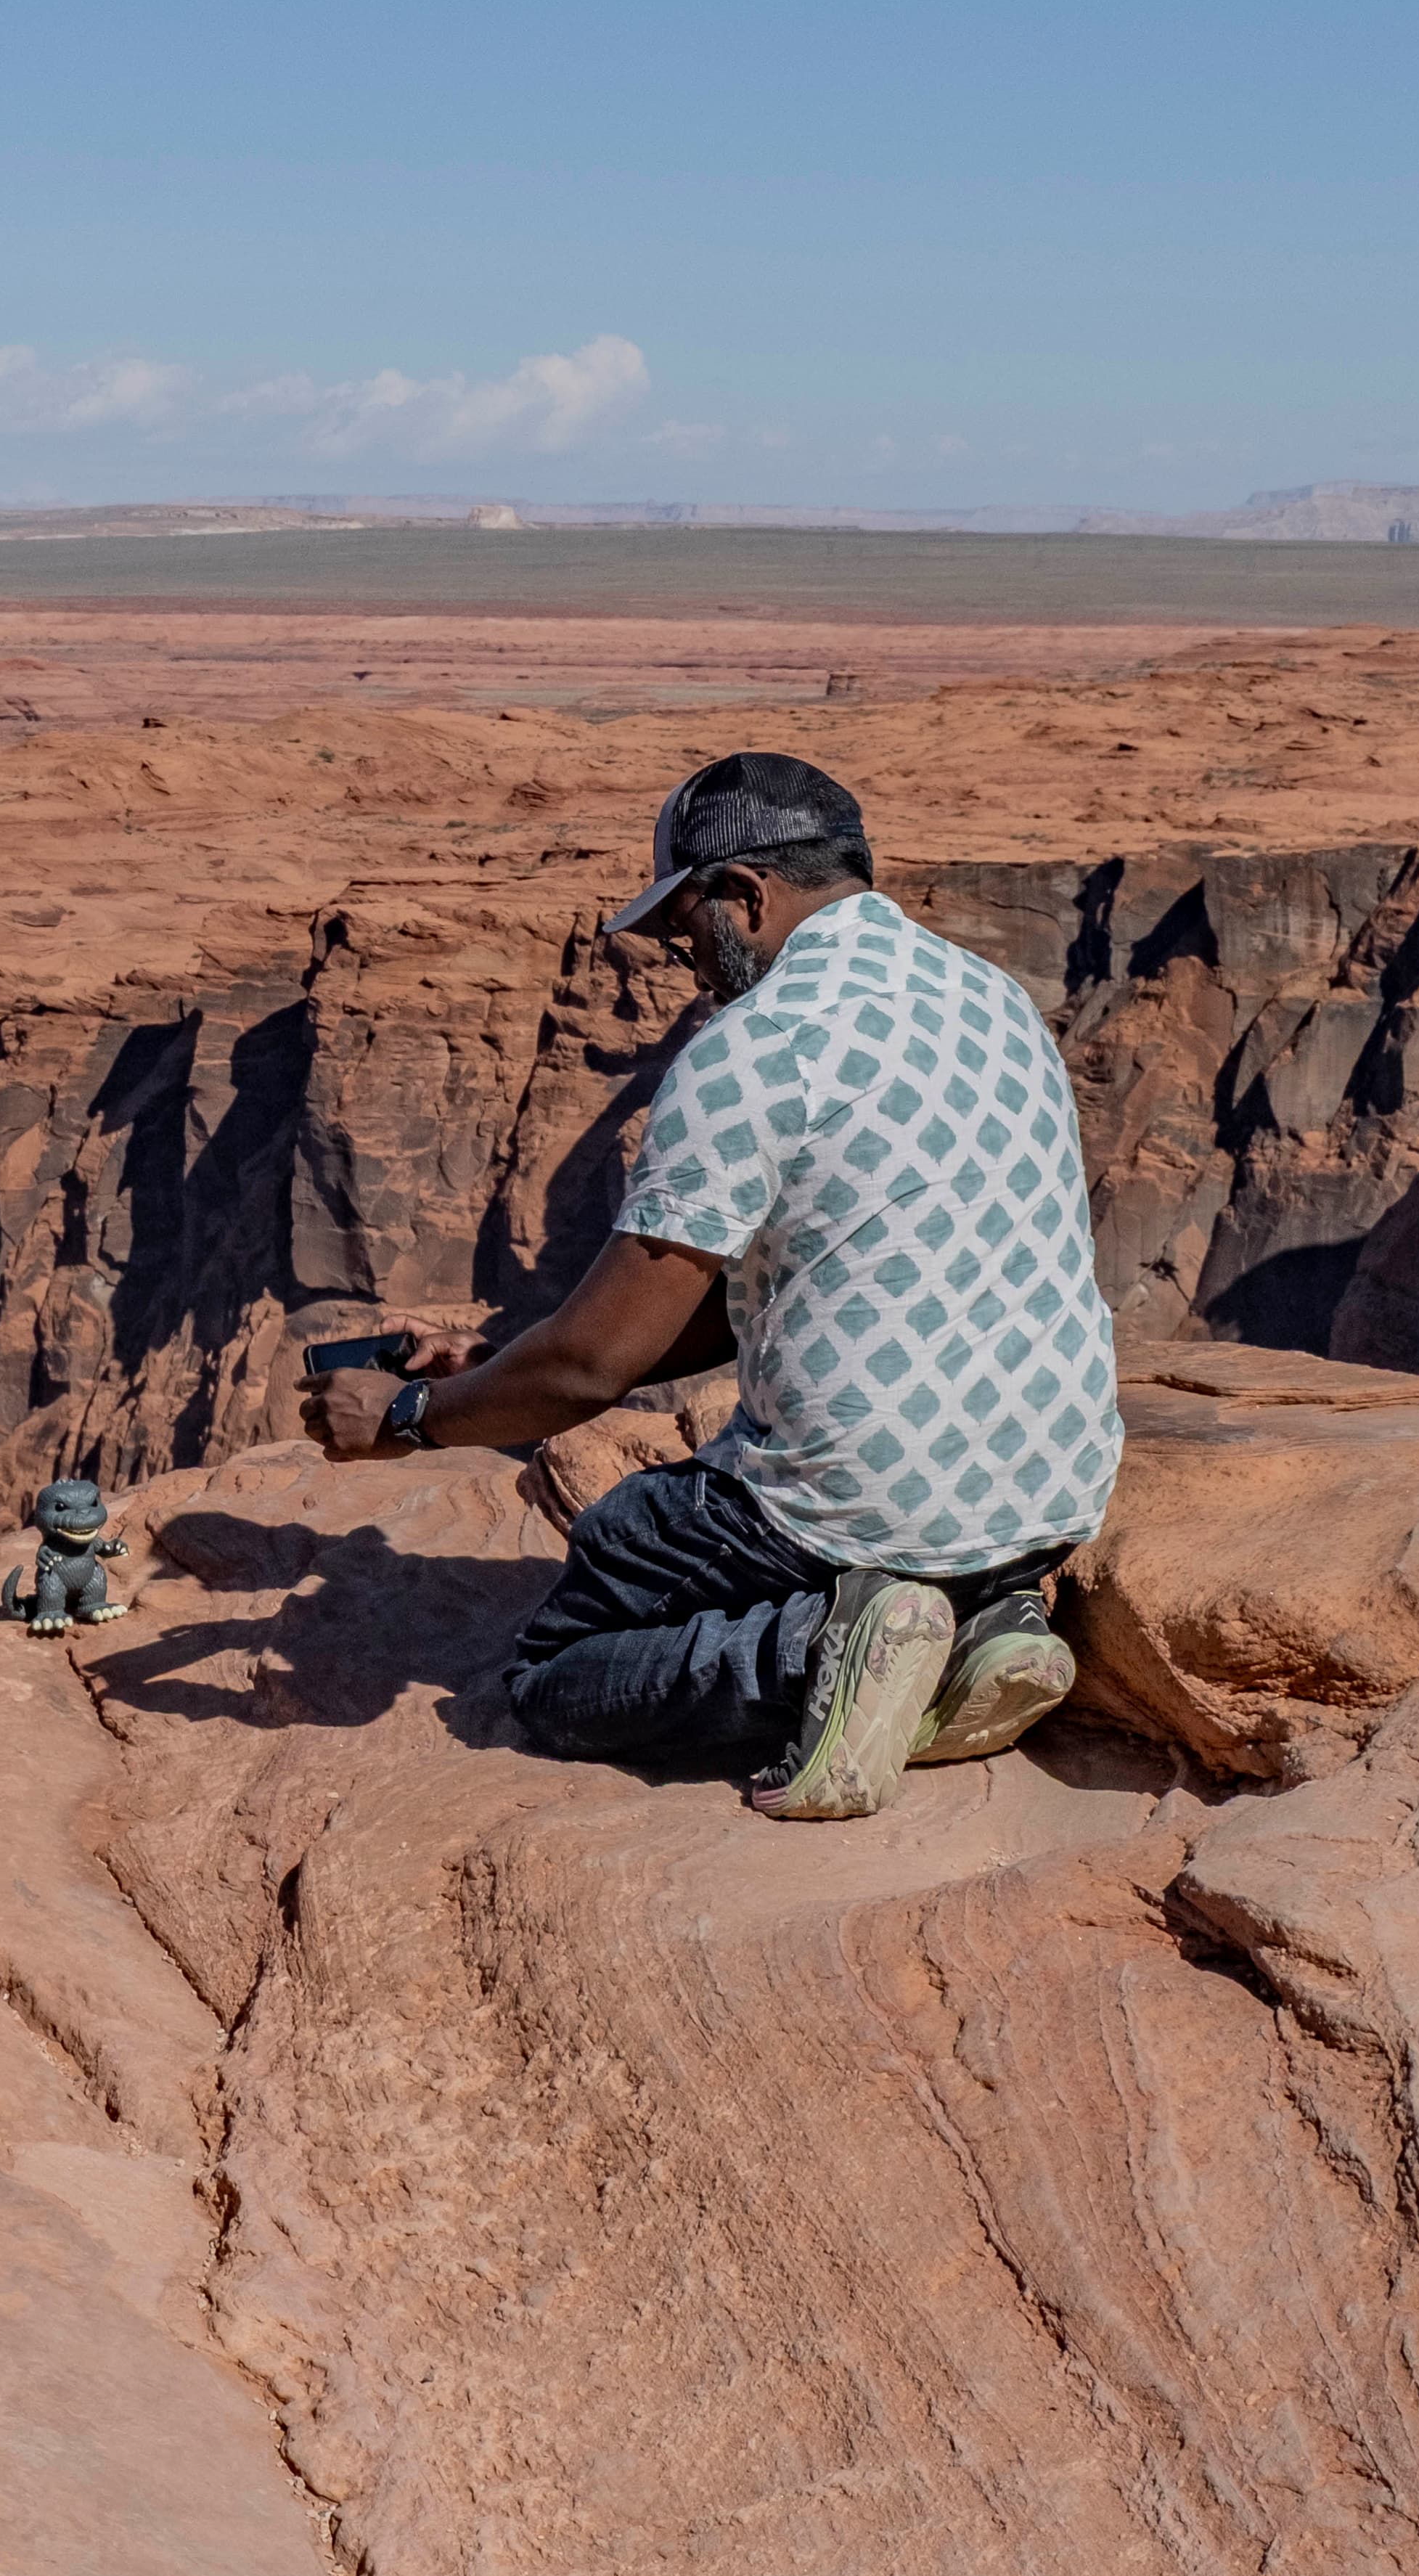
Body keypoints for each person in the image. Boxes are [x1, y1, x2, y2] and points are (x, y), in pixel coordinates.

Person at [302, 752, 1122, 1820]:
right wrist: (497, 1365)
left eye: (683, 928)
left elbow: (596, 1368)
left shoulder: (759, 1048)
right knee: (789, 1526)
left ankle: (823, 1651)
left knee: (564, 1654)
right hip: (1049, 1489)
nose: (681, 960)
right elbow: (784, 1292)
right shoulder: (993, 995)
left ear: (745, 894)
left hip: (868, 1504)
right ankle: (986, 1616)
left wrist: (413, 1416)